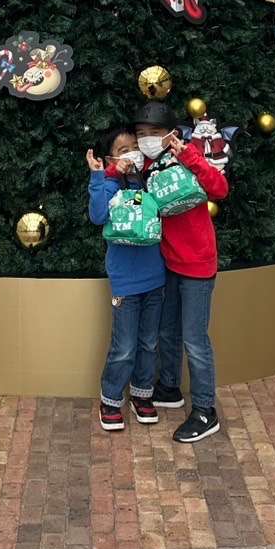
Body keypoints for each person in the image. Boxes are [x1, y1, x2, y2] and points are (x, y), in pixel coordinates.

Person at [135, 101, 228, 444]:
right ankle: (169, 387)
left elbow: (219, 189)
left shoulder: (188, 157)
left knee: (195, 340)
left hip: (198, 264)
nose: (147, 139)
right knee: (168, 331)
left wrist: (189, 156)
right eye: (141, 133)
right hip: (168, 262)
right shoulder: (146, 166)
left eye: (155, 133)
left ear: (171, 134)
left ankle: (205, 410)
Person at [86, 128, 166, 433]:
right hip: (125, 282)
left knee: (149, 343)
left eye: (135, 146)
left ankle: (142, 394)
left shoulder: (147, 182)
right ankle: (110, 399)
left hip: (155, 277)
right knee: (125, 346)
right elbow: (97, 216)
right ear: (110, 158)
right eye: (123, 149)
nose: (132, 152)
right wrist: (101, 176)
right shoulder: (108, 185)